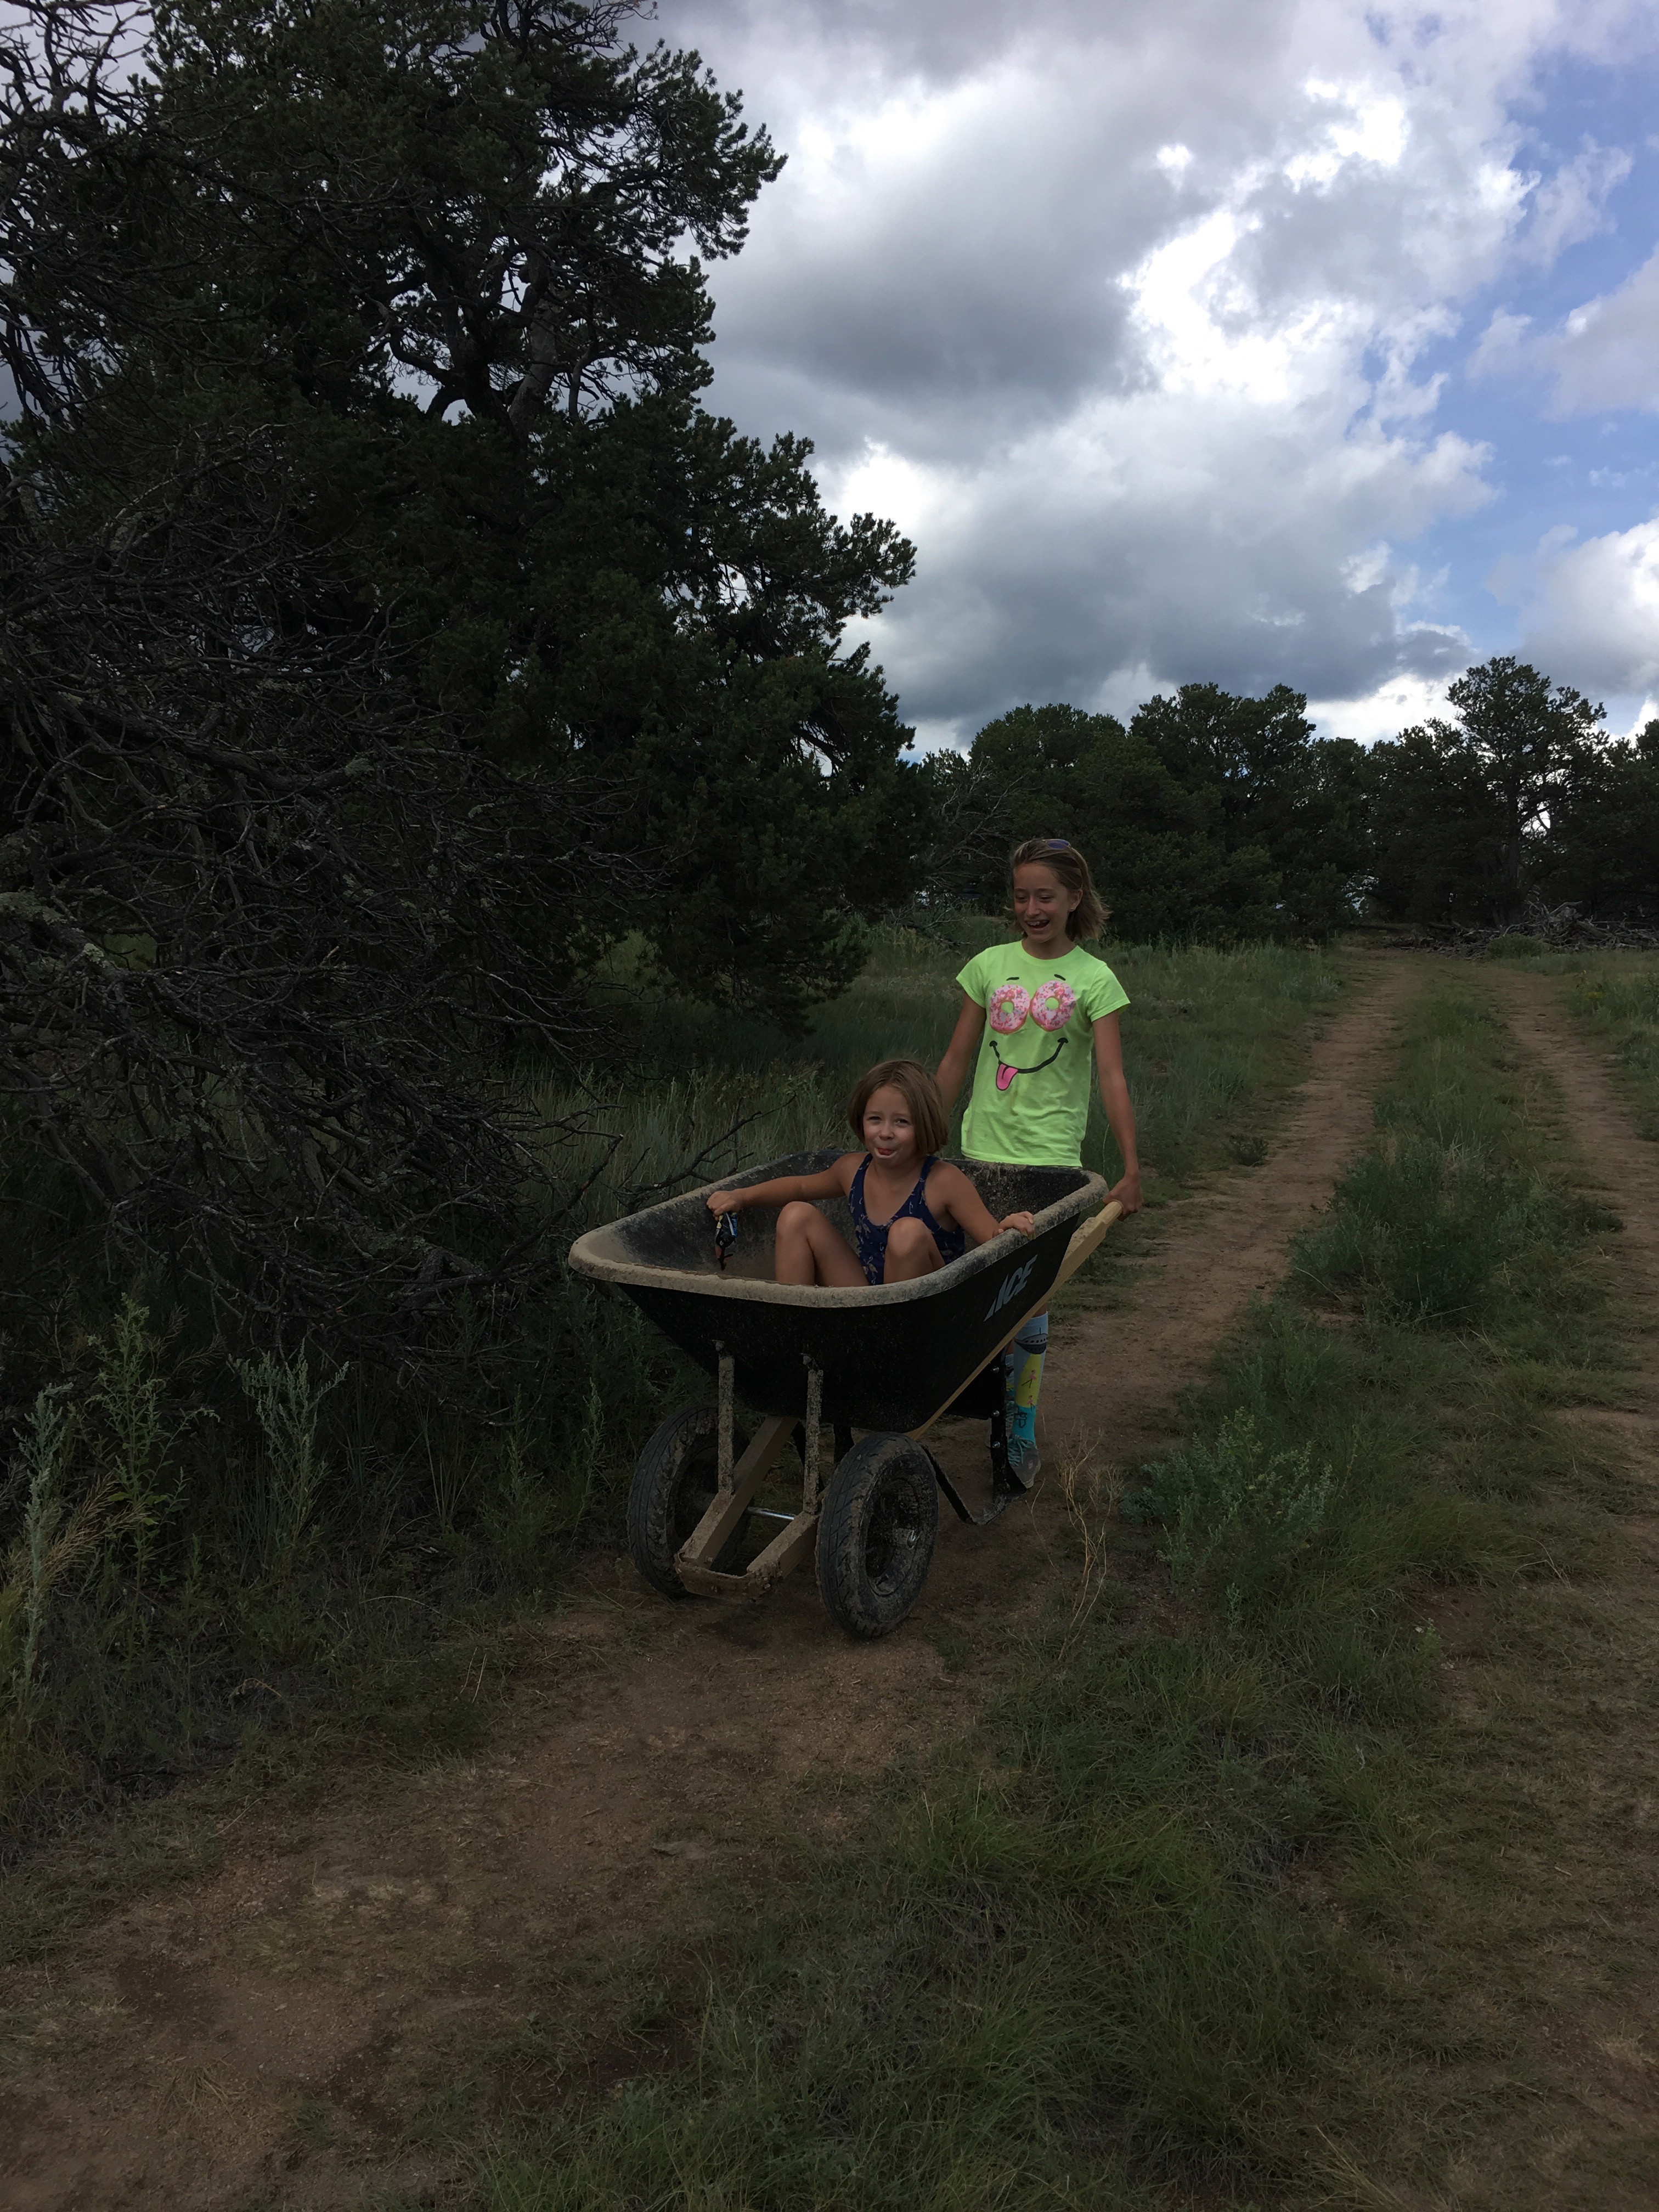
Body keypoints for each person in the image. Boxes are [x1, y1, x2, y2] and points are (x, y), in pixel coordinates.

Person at [935, 838, 1143, 1482]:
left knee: (1030, 1293)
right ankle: (971, 1395)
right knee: (974, 1279)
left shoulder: (1094, 979)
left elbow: (1111, 1076)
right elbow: (957, 1058)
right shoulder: (988, 965)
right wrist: (921, 1132)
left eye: (1045, 897)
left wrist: (1131, 1169)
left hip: (1049, 1158)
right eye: (1022, 896)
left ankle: (1019, 1423)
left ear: (1074, 898)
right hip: (980, 1148)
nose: (1032, 908)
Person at [706, 1058, 1035, 1287]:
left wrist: (1005, 1228)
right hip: (868, 1298)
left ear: (924, 1125)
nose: (885, 1133)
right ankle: (797, 1334)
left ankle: (892, 1346)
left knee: (907, 1232)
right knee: (796, 1215)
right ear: (861, 1120)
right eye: (875, 1119)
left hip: (927, 1308)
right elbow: (801, 1188)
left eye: (901, 1122)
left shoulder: (943, 1181)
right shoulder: (853, 1170)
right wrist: (741, 1196)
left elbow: (994, 1242)